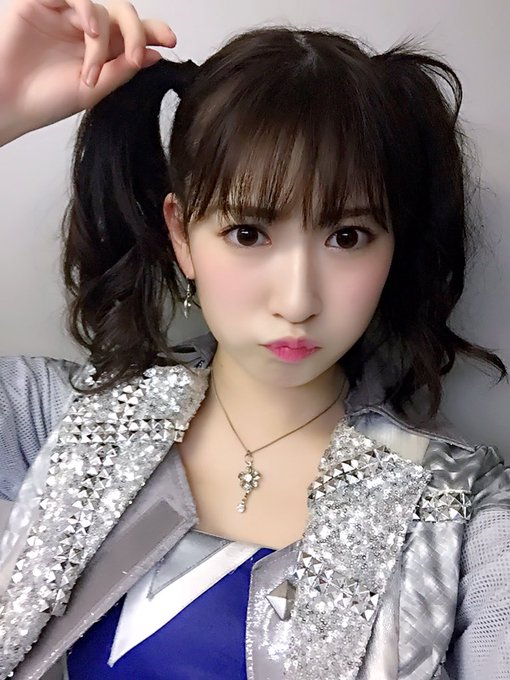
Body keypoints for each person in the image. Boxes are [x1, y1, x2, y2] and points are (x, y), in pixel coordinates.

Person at [0, 0, 509, 678]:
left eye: (347, 236)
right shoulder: (56, 418)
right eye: (248, 233)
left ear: (395, 247)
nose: (296, 300)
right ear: (181, 234)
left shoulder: (462, 511)